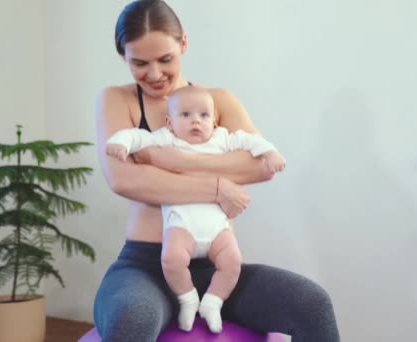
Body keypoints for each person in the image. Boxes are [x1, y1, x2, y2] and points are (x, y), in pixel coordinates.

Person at [94, 0, 340, 341]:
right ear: (123, 56)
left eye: (165, 59)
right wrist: (218, 188)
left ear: (184, 43)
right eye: (139, 63)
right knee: (131, 321)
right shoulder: (117, 99)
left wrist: (174, 161)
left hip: (219, 270)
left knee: (312, 304)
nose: (154, 74)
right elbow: (124, 178)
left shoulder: (217, 101)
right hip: (144, 267)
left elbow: (260, 165)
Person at [105, 85, 286, 333]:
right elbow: (137, 138)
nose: (196, 122)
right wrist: (121, 142)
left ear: (214, 120)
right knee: (172, 258)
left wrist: (270, 152)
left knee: (232, 262)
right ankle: (188, 298)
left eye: (204, 116)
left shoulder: (222, 138)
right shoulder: (166, 138)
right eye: (186, 116)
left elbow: (250, 142)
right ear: (169, 122)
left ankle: (213, 302)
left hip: (218, 232)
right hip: (182, 229)